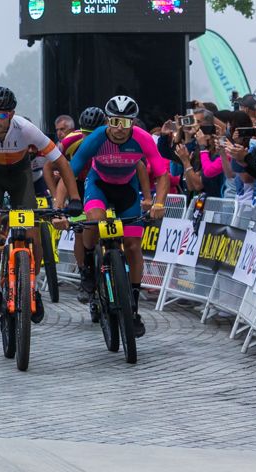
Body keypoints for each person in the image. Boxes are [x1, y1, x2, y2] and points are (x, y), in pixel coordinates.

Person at [0, 85, 77, 322]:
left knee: (34, 234)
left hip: (21, 176)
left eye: (2, 115)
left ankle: (33, 288)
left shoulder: (27, 129)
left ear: (12, 113)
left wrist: (75, 199)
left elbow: (61, 163)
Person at [68, 94, 171, 335]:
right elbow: (70, 170)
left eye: (124, 123)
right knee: (93, 222)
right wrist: (66, 202)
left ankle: (132, 307)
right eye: (113, 122)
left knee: (134, 247)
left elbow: (161, 173)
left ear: (133, 124)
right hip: (99, 186)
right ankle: (88, 271)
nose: (118, 129)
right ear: (107, 121)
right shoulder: (96, 138)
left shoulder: (143, 139)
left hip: (126, 190)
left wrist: (158, 202)